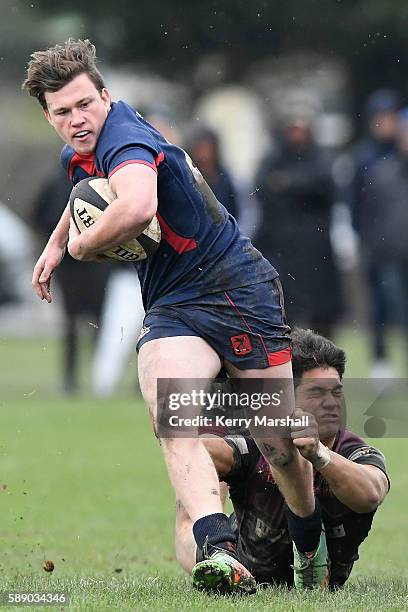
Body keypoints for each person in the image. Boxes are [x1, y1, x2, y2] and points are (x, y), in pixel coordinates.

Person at [24, 39, 327, 593]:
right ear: (48, 116)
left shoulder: (126, 137)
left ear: (105, 97)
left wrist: (82, 249)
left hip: (239, 291)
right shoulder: (81, 149)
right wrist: (55, 243)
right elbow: (86, 193)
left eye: (85, 104)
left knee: (279, 444)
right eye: (62, 112)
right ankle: (219, 548)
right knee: (170, 406)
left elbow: (136, 205)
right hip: (176, 304)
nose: (77, 119)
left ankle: (310, 542)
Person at [175, 329, 390, 590]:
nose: (331, 403)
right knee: (190, 508)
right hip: (247, 564)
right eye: (316, 393)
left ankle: (309, 558)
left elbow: (371, 493)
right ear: (285, 400)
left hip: (325, 578)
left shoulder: (353, 449)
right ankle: (222, 557)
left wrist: (321, 455)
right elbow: (196, 454)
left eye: (336, 392)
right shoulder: (258, 442)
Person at [254, 91, 341, 339]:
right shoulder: (273, 157)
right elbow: (263, 189)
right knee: (284, 311)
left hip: (315, 249)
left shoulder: (320, 157)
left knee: (322, 315)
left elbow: (324, 185)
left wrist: (289, 183)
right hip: (282, 248)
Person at [33, 166, 111, 393]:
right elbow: (39, 215)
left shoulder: (98, 184)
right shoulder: (56, 182)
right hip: (68, 266)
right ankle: (71, 377)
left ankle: (99, 375)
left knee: (98, 319)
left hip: (96, 263)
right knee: (72, 322)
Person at [346, 89, 402, 378]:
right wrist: (364, 236)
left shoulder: (402, 151)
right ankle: (381, 361)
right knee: (380, 304)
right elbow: (354, 202)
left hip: (401, 241)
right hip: (376, 244)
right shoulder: (363, 157)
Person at [188, 127, 239, 219]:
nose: (204, 154)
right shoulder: (188, 177)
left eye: (207, 149)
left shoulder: (226, 180)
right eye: (200, 149)